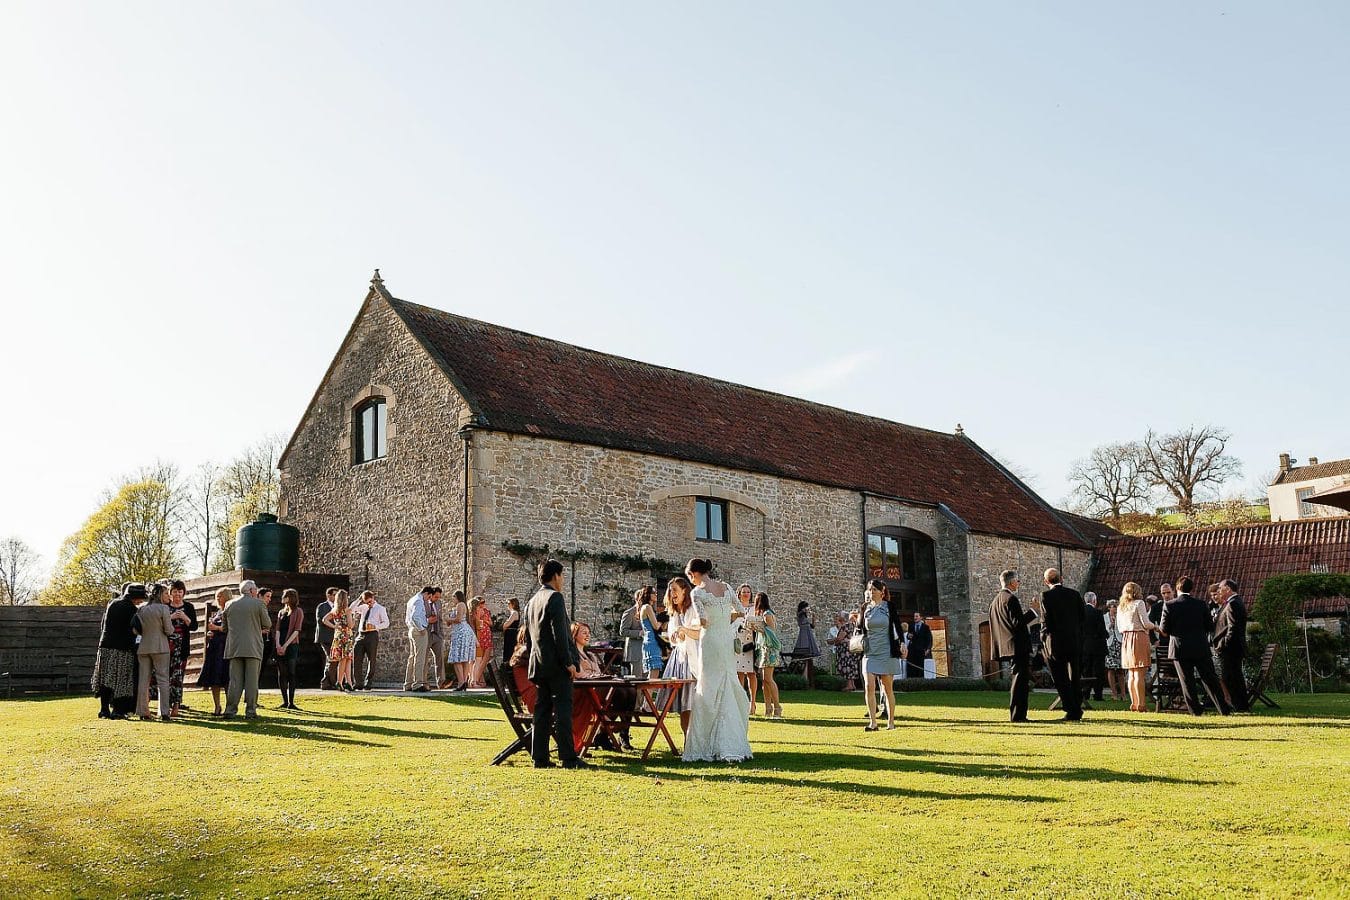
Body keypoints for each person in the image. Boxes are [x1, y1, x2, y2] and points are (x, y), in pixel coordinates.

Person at [682, 558, 752, 762]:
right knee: (728, 683)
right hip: (726, 641)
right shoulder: (726, 587)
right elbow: (740, 611)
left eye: (690, 576)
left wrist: (690, 626)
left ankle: (705, 744)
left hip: (711, 641)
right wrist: (726, 622)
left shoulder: (697, 592)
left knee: (708, 685)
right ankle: (732, 741)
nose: (691, 580)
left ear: (694, 574)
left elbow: (703, 621)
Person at [524, 559, 586, 769]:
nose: (563, 580)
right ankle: (568, 757)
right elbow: (560, 633)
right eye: (563, 575)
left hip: (539, 664)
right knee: (563, 711)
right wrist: (568, 662)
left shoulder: (531, 602)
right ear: (556, 576)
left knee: (541, 712)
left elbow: (529, 640)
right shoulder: (555, 597)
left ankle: (539, 757)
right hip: (557, 666)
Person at [1159, 576, 1232, 716]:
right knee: (1210, 679)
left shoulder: (1169, 605)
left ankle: (1195, 711)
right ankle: (1223, 708)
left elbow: (1164, 630)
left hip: (1180, 648)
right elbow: (1209, 626)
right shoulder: (1201, 604)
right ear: (1191, 589)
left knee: (1187, 681)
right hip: (1200, 647)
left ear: (1177, 588)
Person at [573, 621, 636, 751]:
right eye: (584, 633)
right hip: (584, 690)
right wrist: (593, 675)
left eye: (588, 633)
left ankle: (621, 732)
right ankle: (606, 729)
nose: (587, 635)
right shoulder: (572, 654)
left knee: (630, 690)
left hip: (598, 685)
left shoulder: (590, 655)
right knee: (618, 693)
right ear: (574, 635)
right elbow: (579, 675)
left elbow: (598, 673)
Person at [989, 570, 1036, 722]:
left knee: (1018, 679)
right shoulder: (1011, 599)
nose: (1019, 583)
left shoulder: (995, 601)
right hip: (1017, 646)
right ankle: (1018, 715)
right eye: (1018, 580)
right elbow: (1018, 623)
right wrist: (1033, 611)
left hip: (1007, 646)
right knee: (1020, 682)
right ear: (1011, 582)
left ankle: (1018, 714)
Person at [93, 583, 144, 719]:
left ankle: (104, 709)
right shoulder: (131, 609)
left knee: (105, 679)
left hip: (105, 646)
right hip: (122, 648)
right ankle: (118, 710)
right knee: (121, 679)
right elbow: (136, 628)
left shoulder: (113, 603)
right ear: (135, 597)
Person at [1040, 568, 1085, 722]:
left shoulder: (1046, 596)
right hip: (1074, 642)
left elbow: (1046, 621)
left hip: (1056, 643)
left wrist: (1043, 638)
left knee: (1061, 678)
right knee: (1075, 676)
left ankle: (1071, 709)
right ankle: (1077, 706)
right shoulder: (1074, 594)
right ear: (1061, 579)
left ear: (1046, 581)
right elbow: (1082, 618)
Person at [222, 579, 272, 719]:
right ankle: (250, 711)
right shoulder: (259, 604)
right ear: (251, 590)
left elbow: (225, 627)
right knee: (251, 681)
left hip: (234, 647)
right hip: (253, 646)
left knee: (235, 681)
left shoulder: (229, 604)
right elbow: (267, 624)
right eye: (255, 589)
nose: (256, 591)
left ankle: (230, 710)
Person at [859, 579, 900, 731]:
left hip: (886, 650)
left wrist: (902, 643)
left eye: (874, 590)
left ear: (882, 592)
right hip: (870, 651)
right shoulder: (865, 607)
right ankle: (873, 722)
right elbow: (859, 627)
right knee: (869, 686)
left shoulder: (889, 607)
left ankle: (891, 722)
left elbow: (897, 626)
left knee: (887, 688)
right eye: (870, 590)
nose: (872, 592)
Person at [661, 576, 700, 734]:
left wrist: (684, 631)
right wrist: (674, 636)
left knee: (694, 701)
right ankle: (686, 738)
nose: (672, 594)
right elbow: (674, 638)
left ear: (684, 591)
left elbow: (699, 633)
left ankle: (696, 738)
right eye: (670, 591)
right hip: (679, 658)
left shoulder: (694, 609)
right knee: (684, 704)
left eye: (675, 590)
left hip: (693, 657)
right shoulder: (674, 613)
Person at [134, 586, 176, 722]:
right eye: (166, 593)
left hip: (144, 647)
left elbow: (135, 630)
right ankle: (164, 712)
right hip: (160, 647)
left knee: (143, 680)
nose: (168, 596)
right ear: (159, 595)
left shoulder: (141, 609)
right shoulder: (163, 609)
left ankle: (142, 711)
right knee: (163, 679)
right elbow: (169, 630)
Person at [157, 579, 198, 717]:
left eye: (180, 591)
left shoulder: (189, 607)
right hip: (166, 645)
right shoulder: (165, 606)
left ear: (184, 593)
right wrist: (171, 617)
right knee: (165, 676)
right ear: (170, 593)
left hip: (182, 648)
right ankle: (163, 706)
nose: (177, 594)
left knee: (178, 677)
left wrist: (185, 618)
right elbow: (159, 624)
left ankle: (176, 705)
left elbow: (194, 626)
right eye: (175, 591)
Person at [1116, 582, 1159, 712]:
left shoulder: (1121, 607)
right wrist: (1156, 627)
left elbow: (1119, 627)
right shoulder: (1139, 603)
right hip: (1138, 637)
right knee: (1140, 672)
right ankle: (1141, 704)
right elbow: (1145, 623)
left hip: (1126, 639)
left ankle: (1134, 703)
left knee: (1131, 673)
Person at [1212, 579, 1249, 712]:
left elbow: (1233, 628)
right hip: (1230, 648)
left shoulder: (1233, 604)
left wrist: (1222, 644)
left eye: (1220, 588)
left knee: (1232, 677)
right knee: (1231, 676)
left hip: (1231, 649)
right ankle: (1239, 705)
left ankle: (1240, 705)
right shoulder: (1230, 603)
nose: (1219, 591)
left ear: (1228, 588)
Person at [196, 587, 232, 715]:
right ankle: (217, 706)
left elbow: (229, 628)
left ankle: (229, 707)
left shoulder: (229, 611)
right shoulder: (218, 612)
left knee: (226, 677)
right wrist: (211, 632)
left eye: (221, 596)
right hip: (214, 646)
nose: (218, 598)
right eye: (217, 596)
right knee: (213, 677)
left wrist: (216, 628)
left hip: (224, 646)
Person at [748, 592, 783, 719]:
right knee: (764, 680)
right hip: (763, 648)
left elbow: (771, 631)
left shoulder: (767, 614)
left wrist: (759, 628)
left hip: (770, 649)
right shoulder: (761, 614)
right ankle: (768, 708)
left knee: (768, 678)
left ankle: (777, 707)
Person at [273, 588, 304, 710]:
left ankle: (291, 702)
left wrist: (285, 645)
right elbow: (278, 629)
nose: (282, 598)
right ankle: (284, 701)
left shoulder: (298, 611)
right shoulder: (281, 612)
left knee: (291, 672)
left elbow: (297, 630)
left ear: (290, 598)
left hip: (291, 645)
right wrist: (278, 645)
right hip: (280, 644)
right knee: (281, 673)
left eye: (284, 596)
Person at [351, 590, 389, 690]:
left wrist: (375, 626)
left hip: (372, 635)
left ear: (373, 598)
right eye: (366, 602)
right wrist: (359, 599)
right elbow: (351, 609)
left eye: (369, 601)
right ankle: (358, 683)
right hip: (360, 635)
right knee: (357, 659)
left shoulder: (380, 608)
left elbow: (386, 623)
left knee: (371, 659)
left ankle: (368, 682)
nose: (368, 604)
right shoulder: (363, 607)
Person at [733, 584, 759, 714]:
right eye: (744, 592)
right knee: (739, 673)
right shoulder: (735, 607)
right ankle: (740, 702)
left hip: (750, 641)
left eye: (748, 592)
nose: (746, 594)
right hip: (738, 641)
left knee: (751, 673)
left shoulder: (755, 608)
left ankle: (752, 703)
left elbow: (759, 623)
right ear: (739, 594)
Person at [404, 586, 435, 692]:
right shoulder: (419, 601)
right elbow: (415, 616)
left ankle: (408, 683)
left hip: (412, 629)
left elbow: (409, 618)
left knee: (412, 657)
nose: (428, 600)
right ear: (426, 593)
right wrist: (421, 628)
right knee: (420, 657)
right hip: (419, 631)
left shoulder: (412, 600)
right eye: (429, 597)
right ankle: (417, 683)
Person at [324, 590, 357, 691]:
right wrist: (355, 618)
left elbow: (324, 620)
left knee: (347, 659)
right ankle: (339, 681)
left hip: (338, 635)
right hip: (346, 635)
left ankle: (349, 683)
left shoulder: (334, 610)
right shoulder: (347, 610)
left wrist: (334, 626)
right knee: (344, 659)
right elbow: (350, 625)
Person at [1079, 591, 1108, 702]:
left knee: (1086, 670)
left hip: (1084, 646)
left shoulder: (1080, 613)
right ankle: (1098, 694)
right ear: (1094, 601)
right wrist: (1106, 634)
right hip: (1097, 646)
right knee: (1098, 671)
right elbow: (1101, 630)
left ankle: (1085, 693)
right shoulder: (1097, 613)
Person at [446, 590, 476, 690]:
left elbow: (458, 619)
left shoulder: (460, 605)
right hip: (463, 632)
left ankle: (461, 682)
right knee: (464, 658)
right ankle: (464, 681)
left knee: (457, 658)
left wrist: (448, 619)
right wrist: (450, 620)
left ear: (456, 597)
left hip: (460, 633)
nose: (453, 600)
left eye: (453, 597)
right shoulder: (462, 605)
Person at [620, 588, 650, 678]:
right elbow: (623, 631)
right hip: (636, 651)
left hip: (648, 650)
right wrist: (639, 633)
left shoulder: (649, 612)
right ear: (637, 599)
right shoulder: (629, 613)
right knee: (637, 679)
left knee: (647, 679)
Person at [315, 586, 339, 690]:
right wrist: (335, 626)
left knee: (333, 660)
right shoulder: (322, 606)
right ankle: (328, 682)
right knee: (332, 659)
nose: (336, 597)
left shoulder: (337, 607)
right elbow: (321, 620)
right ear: (328, 595)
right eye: (334, 595)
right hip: (325, 637)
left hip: (335, 638)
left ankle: (328, 682)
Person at [830, 612, 860, 691]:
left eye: (840, 615)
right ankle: (852, 685)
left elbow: (840, 638)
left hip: (846, 650)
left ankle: (849, 685)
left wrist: (835, 641)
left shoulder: (846, 626)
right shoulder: (853, 625)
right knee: (851, 665)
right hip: (851, 648)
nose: (838, 616)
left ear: (843, 618)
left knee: (847, 665)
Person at [639, 588, 665, 678]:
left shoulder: (646, 607)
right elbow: (656, 626)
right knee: (654, 672)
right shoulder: (647, 607)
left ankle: (648, 688)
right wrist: (662, 618)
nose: (656, 594)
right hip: (652, 641)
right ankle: (648, 688)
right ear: (648, 594)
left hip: (650, 640)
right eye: (653, 593)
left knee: (654, 672)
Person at [1104, 599, 1125, 702]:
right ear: (1109, 607)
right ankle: (1114, 693)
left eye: (1117, 606)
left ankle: (1123, 694)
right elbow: (1104, 630)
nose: (1116, 609)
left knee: (1121, 669)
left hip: (1119, 644)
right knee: (1111, 669)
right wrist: (1110, 625)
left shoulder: (1121, 617)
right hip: (1110, 644)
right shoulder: (1104, 617)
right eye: (1114, 606)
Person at [469, 596, 493, 688]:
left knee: (477, 661)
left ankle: (474, 680)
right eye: (480, 605)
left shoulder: (474, 614)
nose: (482, 606)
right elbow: (478, 627)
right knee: (477, 661)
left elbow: (488, 623)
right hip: (478, 639)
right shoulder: (475, 615)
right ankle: (474, 681)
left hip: (478, 638)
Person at [426, 589, 446, 689]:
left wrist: (441, 634)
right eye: (436, 597)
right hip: (427, 634)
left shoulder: (438, 603)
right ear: (431, 595)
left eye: (439, 597)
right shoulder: (424, 603)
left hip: (437, 634)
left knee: (440, 659)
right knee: (424, 658)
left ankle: (441, 682)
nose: (437, 599)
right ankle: (423, 682)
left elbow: (440, 619)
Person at [906, 611, 931, 679]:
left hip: (921, 650)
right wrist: (908, 636)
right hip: (912, 650)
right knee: (912, 666)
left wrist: (928, 649)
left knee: (920, 666)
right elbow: (908, 636)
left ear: (921, 617)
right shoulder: (911, 626)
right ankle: (911, 680)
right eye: (914, 616)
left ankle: (920, 680)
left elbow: (929, 639)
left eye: (917, 616)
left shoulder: (925, 627)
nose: (915, 618)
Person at [500, 597, 521, 666]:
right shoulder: (514, 612)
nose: (508, 605)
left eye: (509, 603)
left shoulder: (514, 613)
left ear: (513, 604)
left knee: (510, 651)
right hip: (510, 634)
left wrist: (504, 626)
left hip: (511, 635)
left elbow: (506, 625)